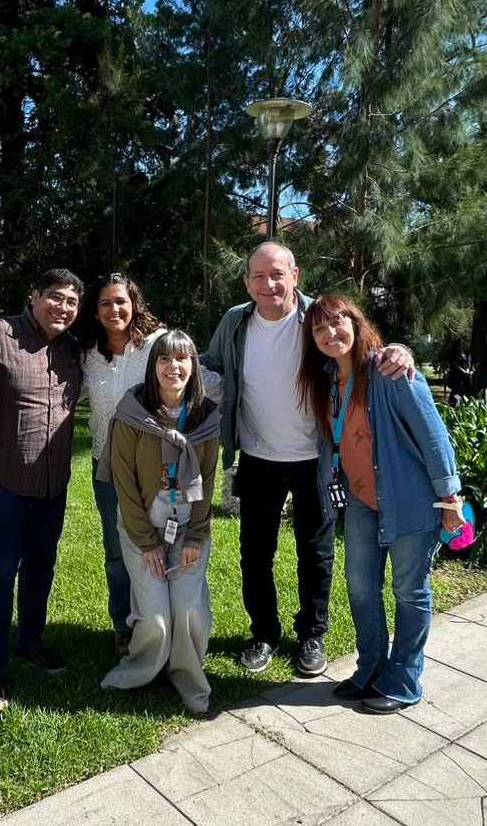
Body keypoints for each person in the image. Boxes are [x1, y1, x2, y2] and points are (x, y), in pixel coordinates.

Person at [201, 242, 413, 678]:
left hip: (317, 459)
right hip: (256, 456)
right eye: (258, 276)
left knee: (315, 553)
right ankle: (263, 633)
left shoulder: (318, 318)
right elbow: (211, 364)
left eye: (277, 274)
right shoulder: (235, 321)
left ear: (294, 276)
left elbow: (361, 348)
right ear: (246, 282)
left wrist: (399, 349)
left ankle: (311, 635)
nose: (268, 284)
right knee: (255, 553)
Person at [299, 294, 464, 714]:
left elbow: (433, 435)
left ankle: (404, 680)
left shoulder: (390, 372)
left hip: (411, 501)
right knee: (360, 587)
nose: (330, 333)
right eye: (319, 328)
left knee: (409, 590)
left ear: (355, 324)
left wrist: (449, 496)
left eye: (337, 322)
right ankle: (372, 668)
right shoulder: (326, 382)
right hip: (360, 502)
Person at [0, 269, 85, 713]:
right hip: (4, 480)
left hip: (53, 484)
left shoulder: (74, 348)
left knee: (41, 565)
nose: (64, 308)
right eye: (56, 297)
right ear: (34, 295)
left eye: (72, 302)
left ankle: (30, 640)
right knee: (0, 571)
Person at [97, 330, 220, 713]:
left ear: (193, 366)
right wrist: (147, 542)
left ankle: (186, 677)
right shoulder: (131, 414)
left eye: (182, 359)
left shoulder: (205, 417)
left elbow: (207, 481)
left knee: (189, 609)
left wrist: (196, 535)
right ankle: (139, 670)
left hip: (187, 526)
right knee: (156, 617)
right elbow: (124, 485)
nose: (173, 366)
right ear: (153, 367)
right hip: (142, 527)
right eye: (165, 359)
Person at [78, 272, 166, 657]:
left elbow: (192, 379)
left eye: (120, 301)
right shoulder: (89, 357)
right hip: (107, 468)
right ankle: (123, 625)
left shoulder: (157, 345)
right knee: (116, 550)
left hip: (154, 467)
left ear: (134, 304)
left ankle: (159, 621)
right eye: (105, 303)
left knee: (158, 545)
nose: (114, 309)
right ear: (96, 312)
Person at [445, 337, 474, 406]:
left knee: (466, 391)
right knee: (457, 390)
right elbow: (453, 365)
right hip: (457, 376)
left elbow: (469, 363)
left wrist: (470, 370)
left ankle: (465, 405)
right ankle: (453, 405)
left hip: (466, 376)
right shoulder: (453, 354)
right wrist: (463, 371)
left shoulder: (466, 353)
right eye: (461, 344)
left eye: (463, 344)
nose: (462, 345)